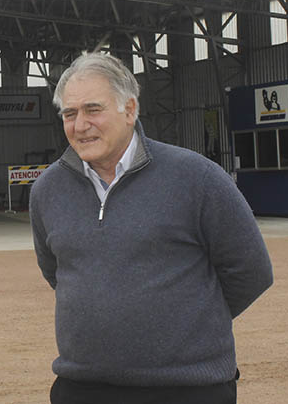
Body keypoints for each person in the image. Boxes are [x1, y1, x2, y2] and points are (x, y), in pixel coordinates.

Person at [29, 52, 273, 404]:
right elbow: (56, 273)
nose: (80, 124)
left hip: (187, 388)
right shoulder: (47, 190)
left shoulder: (197, 178)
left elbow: (251, 271)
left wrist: (184, 321)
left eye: (93, 110)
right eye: (70, 113)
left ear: (129, 110)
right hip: (82, 387)